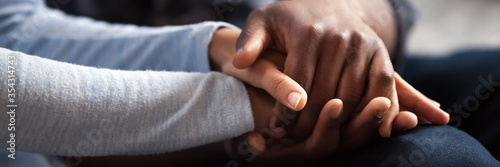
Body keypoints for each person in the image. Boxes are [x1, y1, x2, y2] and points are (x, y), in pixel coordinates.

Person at [0, 0, 498, 166]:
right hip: (105, 134)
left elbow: (15, 23)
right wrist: (249, 114)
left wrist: (348, 15)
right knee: (442, 157)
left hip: (272, 74)